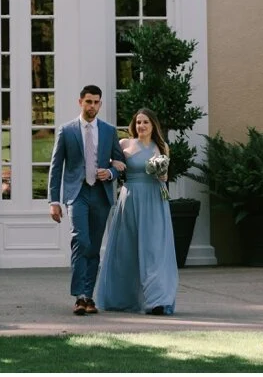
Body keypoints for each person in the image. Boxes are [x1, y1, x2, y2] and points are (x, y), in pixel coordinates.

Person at [49, 84, 124, 316]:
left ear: (100, 104)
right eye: (88, 101)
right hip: (77, 193)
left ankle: (88, 297)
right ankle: (79, 295)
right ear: (80, 102)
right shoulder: (67, 130)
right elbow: (56, 167)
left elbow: (120, 163)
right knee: (81, 240)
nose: (92, 106)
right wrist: (54, 201)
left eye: (96, 102)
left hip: (101, 194)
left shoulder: (109, 131)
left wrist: (109, 173)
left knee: (93, 246)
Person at [94, 108, 178, 315]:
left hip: (155, 200)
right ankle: (122, 298)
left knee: (154, 249)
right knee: (127, 249)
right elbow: (107, 164)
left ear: (153, 125)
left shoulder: (162, 146)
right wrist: (114, 163)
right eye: (138, 122)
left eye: (145, 122)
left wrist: (163, 175)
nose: (141, 126)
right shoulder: (124, 144)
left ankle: (158, 301)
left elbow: (165, 177)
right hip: (130, 199)